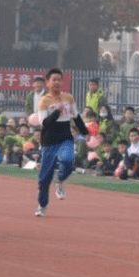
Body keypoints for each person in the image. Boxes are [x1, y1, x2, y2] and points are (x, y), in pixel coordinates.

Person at [34, 67, 87, 217]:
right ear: (47, 83)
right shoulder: (44, 101)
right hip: (49, 142)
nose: (57, 82)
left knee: (68, 160)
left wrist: (85, 132)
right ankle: (42, 206)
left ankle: (60, 179)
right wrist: (57, 112)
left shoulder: (68, 98)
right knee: (44, 179)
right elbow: (45, 123)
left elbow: (76, 117)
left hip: (65, 138)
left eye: (59, 79)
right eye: (54, 80)